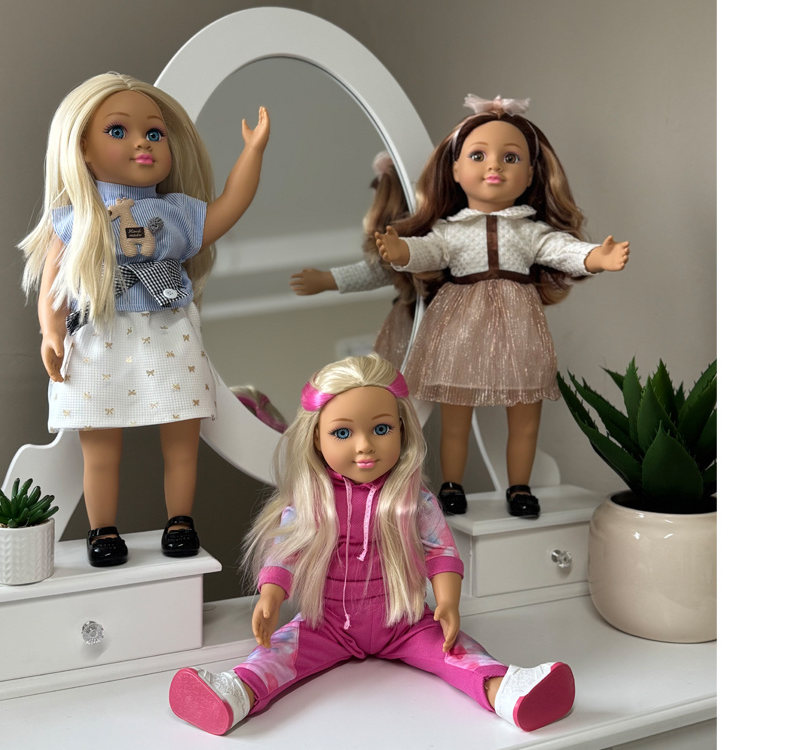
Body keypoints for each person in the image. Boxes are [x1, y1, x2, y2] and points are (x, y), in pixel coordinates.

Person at [168, 354, 575, 735]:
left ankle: (507, 691)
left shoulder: (412, 499)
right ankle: (235, 694)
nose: (364, 446)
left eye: (381, 429)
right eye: (342, 433)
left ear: (402, 430)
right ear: (316, 439)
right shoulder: (312, 500)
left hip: (405, 622)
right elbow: (286, 551)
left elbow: (441, 552)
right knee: (278, 654)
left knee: (456, 653)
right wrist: (271, 597)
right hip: (326, 624)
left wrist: (448, 603)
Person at [19, 72, 269, 566]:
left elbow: (229, 207)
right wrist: (50, 331)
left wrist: (253, 152)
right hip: (99, 335)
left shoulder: (177, 213)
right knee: (99, 449)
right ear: (82, 147)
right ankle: (102, 530)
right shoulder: (76, 216)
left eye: (154, 132)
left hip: (167, 333)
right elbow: (55, 282)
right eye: (118, 131)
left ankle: (180, 521)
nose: (142, 143)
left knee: (182, 442)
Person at [375, 95, 629, 518]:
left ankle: (520, 488)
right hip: (458, 328)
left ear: (529, 174)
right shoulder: (451, 231)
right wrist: (402, 251)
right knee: (456, 418)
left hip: (518, 329)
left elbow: (561, 249)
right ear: (455, 170)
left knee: (525, 418)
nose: (494, 166)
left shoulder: (529, 231)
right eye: (478, 155)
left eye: (510, 157)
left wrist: (595, 257)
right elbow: (428, 251)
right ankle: (452, 485)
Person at [289, 152, 438, 371]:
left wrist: (328, 280)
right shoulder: (394, 261)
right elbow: (378, 270)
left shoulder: (436, 237)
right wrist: (328, 280)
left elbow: (377, 271)